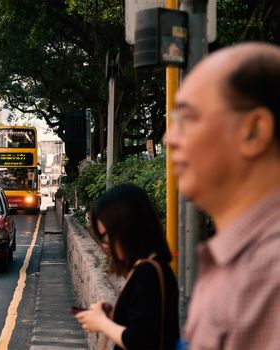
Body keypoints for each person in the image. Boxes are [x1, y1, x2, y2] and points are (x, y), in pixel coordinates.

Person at [164, 42, 280, 349]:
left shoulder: (268, 277)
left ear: (254, 131)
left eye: (186, 118)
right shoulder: (232, 259)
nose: (169, 138)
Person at [75, 183, 179, 350]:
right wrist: (113, 316)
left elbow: (140, 342)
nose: (104, 245)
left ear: (127, 229)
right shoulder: (148, 268)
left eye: (105, 237)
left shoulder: (148, 273)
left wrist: (101, 323)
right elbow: (144, 325)